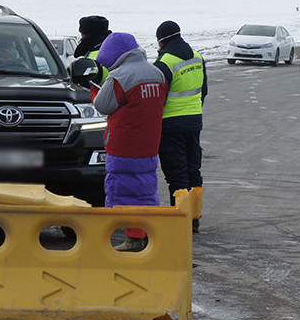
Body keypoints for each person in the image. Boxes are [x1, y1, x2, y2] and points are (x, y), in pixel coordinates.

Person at [93, 32, 168, 251]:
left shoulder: (120, 76)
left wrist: (93, 89)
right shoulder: (157, 73)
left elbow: (103, 105)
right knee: (145, 191)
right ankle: (149, 235)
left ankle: (132, 239)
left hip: (123, 145)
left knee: (122, 191)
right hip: (149, 144)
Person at [154, 20, 207, 231]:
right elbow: (203, 91)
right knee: (193, 170)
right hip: (194, 121)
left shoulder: (164, 63)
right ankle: (194, 218)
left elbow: (158, 97)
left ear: (161, 40)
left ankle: (180, 219)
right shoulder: (197, 56)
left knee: (176, 173)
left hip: (170, 125)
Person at [75, 15, 112, 84]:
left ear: (86, 34)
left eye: (82, 33)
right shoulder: (115, 49)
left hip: (94, 93)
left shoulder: (93, 55)